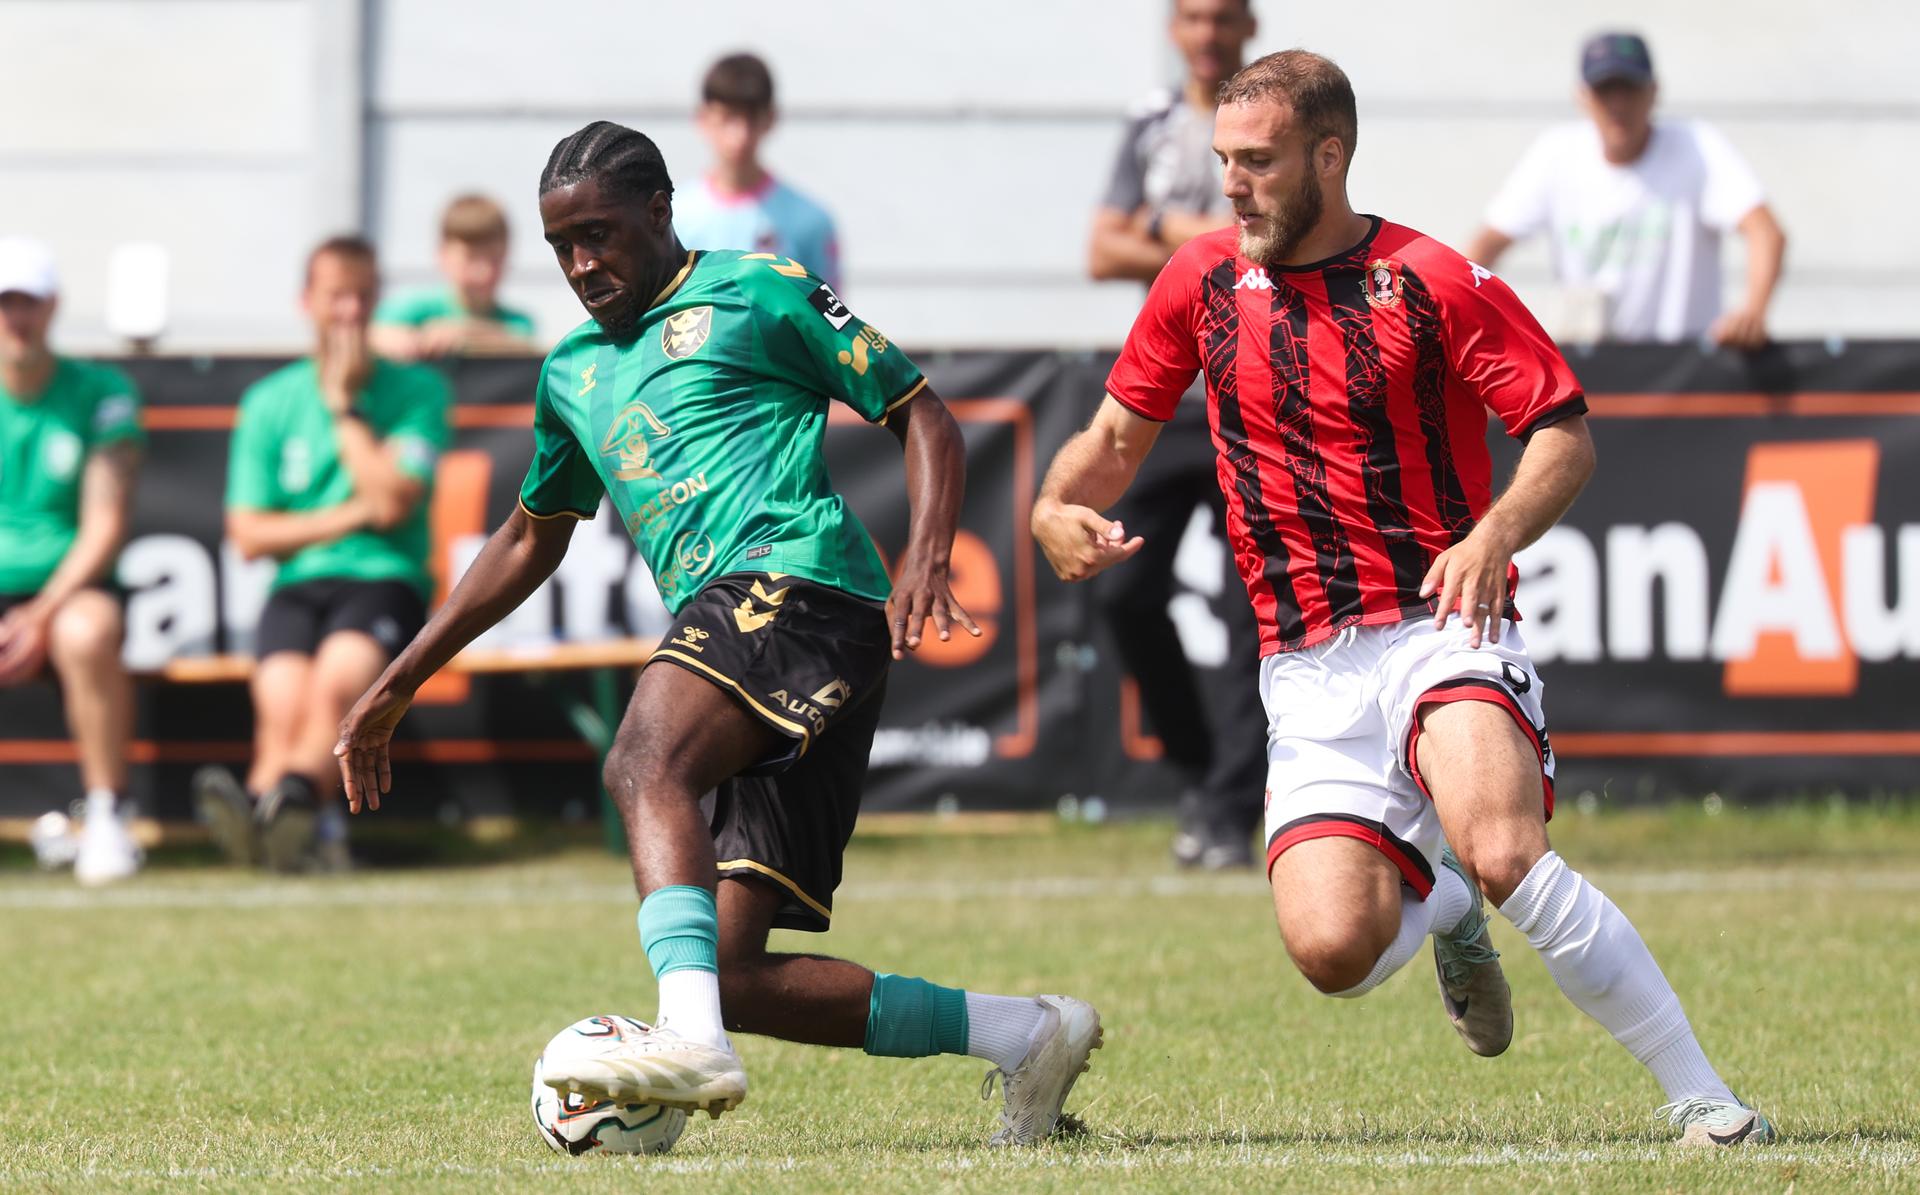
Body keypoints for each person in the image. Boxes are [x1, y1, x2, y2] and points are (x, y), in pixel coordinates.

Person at [1034, 50, 1774, 1147]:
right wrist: (1054, 505)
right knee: (1333, 951)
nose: (1230, 184)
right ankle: (1448, 908)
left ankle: (1704, 1098)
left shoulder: (1431, 277)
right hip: (1304, 661)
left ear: (1329, 157)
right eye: (1224, 161)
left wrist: (1493, 534)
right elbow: (1109, 441)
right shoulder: (1196, 281)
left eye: (1257, 162)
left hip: (1444, 625)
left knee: (1506, 845)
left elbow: (1563, 433)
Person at [333, 122, 1100, 1144]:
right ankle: (1028, 1033)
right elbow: (529, 535)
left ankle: (686, 1041)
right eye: (562, 245)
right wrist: (402, 676)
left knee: (646, 759)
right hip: (756, 628)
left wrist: (925, 551)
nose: (582, 264)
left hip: (801, 586)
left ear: (660, 211)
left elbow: (921, 412)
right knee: (732, 970)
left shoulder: (760, 290)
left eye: (600, 234)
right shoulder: (570, 371)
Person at [194, 235, 451, 873]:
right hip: (298, 583)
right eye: (337, 297)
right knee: (281, 703)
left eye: (363, 297)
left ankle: (281, 799)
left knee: (338, 684)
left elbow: (393, 504)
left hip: (383, 576)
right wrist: (353, 512)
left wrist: (344, 409)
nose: (351, 313)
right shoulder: (269, 401)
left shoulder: (416, 390)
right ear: (307, 302)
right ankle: (285, 826)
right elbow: (250, 533)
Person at [1087, 0, 1267, 869]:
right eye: (1192, 15)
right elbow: (1099, 247)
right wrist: (1199, 237)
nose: (1208, 31)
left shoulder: (1277, 113)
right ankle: (1207, 770)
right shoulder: (1152, 122)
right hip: (1163, 397)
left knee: (1248, 613)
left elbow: (1277, 241)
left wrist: (1158, 233)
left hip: (1256, 397)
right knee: (1122, 588)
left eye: (1223, 15)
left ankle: (1232, 809)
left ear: (1248, 25)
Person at [1464, 32, 1786, 348]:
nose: (1618, 104)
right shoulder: (1556, 154)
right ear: (1583, 96)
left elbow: (1765, 231)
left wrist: (1753, 313)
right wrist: (1458, 319)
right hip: (1592, 368)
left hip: (1684, 371)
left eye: (1629, 89)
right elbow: (1487, 243)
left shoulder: (1697, 146)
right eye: (1606, 90)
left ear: (1654, 92)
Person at [0, 236, 144, 886]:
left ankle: (108, 815)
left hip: (68, 589)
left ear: (51, 306)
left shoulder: (99, 391)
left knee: (87, 633)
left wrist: (40, 612)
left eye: (25, 302)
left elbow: (104, 523)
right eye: (4, 303)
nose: (14, 317)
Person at [673, 53, 841, 290]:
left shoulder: (810, 221)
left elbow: (831, 320)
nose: (739, 136)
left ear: (770, 118)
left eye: (750, 118)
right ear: (703, 118)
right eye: (728, 117)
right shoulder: (673, 218)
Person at [371, 194, 539, 359]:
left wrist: (464, 332)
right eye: (470, 258)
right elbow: (371, 333)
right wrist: (412, 341)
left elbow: (524, 345)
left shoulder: (518, 321)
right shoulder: (409, 309)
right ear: (442, 255)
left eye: (494, 258)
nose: (483, 272)